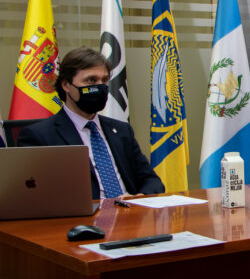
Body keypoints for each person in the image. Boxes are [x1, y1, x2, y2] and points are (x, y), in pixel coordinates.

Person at [17, 47, 164, 199]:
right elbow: (36, 195)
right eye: (91, 80)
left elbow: (151, 180)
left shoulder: (121, 130)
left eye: (104, 80)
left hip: (129, 215)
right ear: (66, 85)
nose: (100, 86)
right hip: (82, 219)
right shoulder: (40, 136)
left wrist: (139, 198)